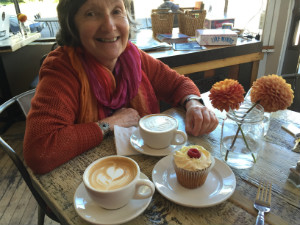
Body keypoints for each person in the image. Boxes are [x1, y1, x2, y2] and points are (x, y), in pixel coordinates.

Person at [23, 0, 218, 174]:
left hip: (147, 169)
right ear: (72, 25)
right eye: (91, 13)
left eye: (117, 11)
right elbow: (40, 151)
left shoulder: (134, 56)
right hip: (88, 182)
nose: (109, 26)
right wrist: (110, 123)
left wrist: (194, 103)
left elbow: (178, 83)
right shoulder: (62, 69)